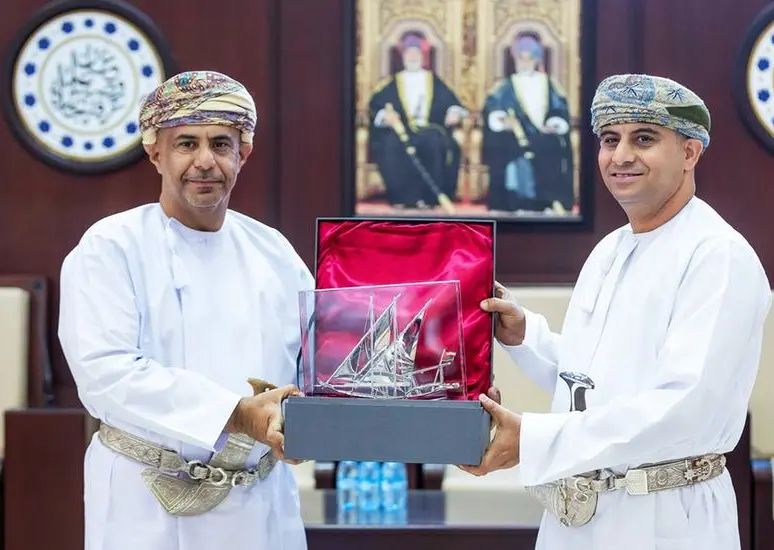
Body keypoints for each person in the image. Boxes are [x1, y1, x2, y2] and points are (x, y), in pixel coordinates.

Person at [463, 74, 772, 549]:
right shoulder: (611, 249)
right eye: (610, 139)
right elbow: (597, 382)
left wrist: (532, 439)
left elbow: (682, 409)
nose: (621, 156)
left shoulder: (718, 256)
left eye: (643, 139)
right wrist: (526, 337)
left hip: (666, 518)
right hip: (575, 516)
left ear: (690, 152)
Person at [58, 70, 312, 550]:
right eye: (186, 144)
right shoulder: (110, 247)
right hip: (146, 506)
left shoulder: (274, 251)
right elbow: (106, 374)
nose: (205, 161)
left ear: (243, 154)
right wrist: (237, 415)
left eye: (221, 144)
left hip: (261, 507)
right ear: (155, 152)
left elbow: (321, 361)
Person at [367, 31, 468, 209]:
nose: (413, 57)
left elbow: (453, 103)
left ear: (423, 56)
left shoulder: (433, 80)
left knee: (434, 142)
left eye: (416, 53)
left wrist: (453, 112)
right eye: (409, 53)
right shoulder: (392, 83)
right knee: (391, 144)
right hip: (402, 132)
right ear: (403, 56)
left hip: (429, 130)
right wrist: (385, 116)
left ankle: (429, 198)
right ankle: (402, 198)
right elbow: (375, 106)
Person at [482, 34, 575, 215]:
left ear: (536, 60)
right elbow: (493, 107)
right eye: (520, 58)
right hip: (515, 137)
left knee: (550, 146)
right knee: (508, 148)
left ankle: (548, 201)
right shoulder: (505, 85)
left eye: (528, 59)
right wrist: (502, 121)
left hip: (544, 136)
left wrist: (553, 124)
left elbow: (559, 109)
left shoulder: (549, 83)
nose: (524, 63)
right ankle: (516, 201)